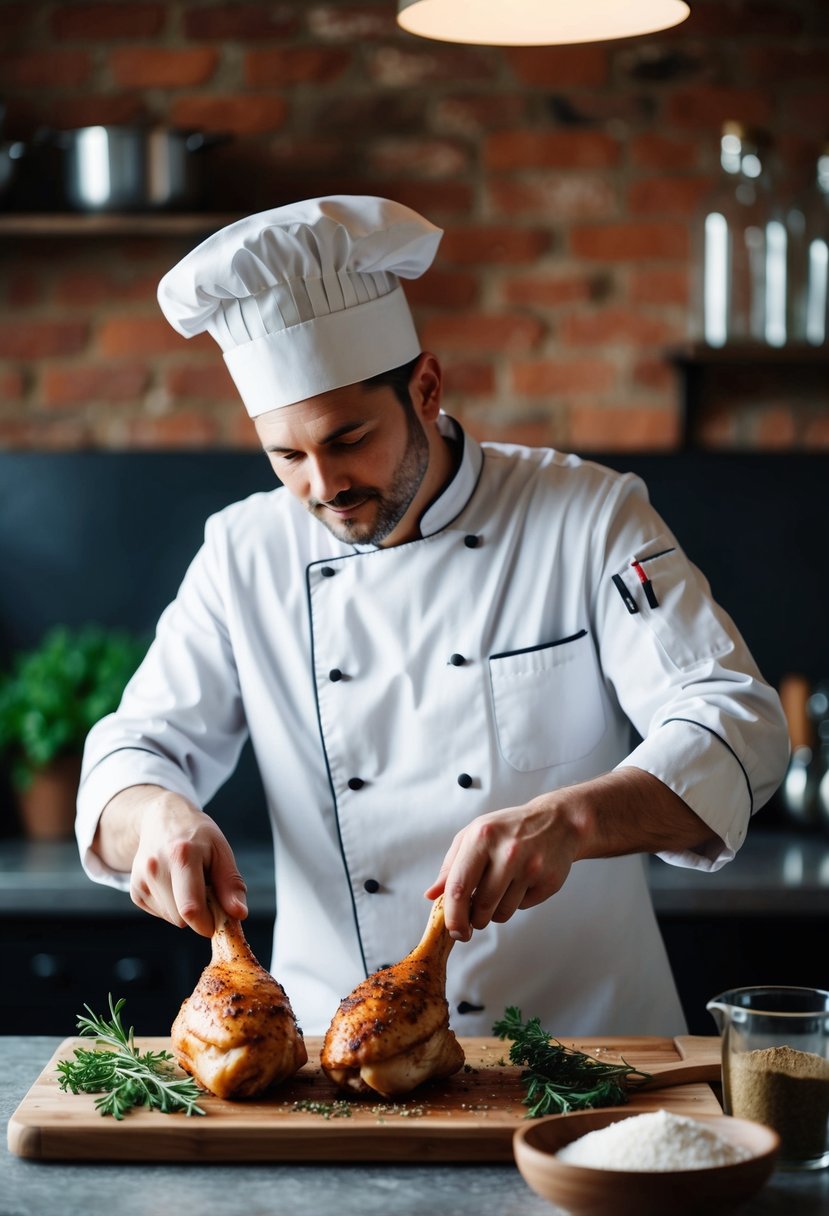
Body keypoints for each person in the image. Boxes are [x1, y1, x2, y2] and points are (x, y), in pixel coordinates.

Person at [76, 196, 789, 1038]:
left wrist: (572, 819)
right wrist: (155, 815)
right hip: (330, 1063)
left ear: (425, 387)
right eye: (286, 455)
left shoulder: (584, 516)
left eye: (348, 439)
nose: (323, 486)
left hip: (590, 1051)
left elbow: (737, 722)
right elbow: (132, 752)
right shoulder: (243, 554)